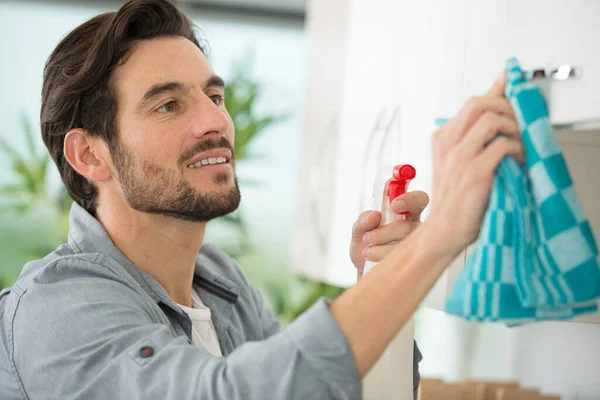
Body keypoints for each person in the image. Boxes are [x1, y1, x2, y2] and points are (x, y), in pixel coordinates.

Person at [0, 0, 523, 399]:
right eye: (167, 105)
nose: (215, 122)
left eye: (213, 96)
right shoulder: (56, 307)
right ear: (90, 155)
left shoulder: (219, 283)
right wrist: (439, 238)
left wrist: (384, 275)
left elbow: (323, 388)